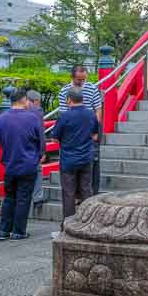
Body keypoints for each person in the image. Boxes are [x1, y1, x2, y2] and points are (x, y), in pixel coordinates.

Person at [0, 87, 45, 241]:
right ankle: (19, 230)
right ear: (24, 100)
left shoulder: (2, 118)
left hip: (9, 162)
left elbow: (1, 140)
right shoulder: (32, 118)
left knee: (9, 197)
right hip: (28, 162)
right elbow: (41, 142)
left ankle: (4, 230)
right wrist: (40, 155)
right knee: (23, 198)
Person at [50, 87, 98, 228]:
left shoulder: (64, 116)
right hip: (86, 157)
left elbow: (54, 138)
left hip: (69, 159)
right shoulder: (91, 114)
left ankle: (69, 224)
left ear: (69, 100)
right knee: (86, 189)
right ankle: (88, 221)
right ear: (82, 99)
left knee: (69, 193)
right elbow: (95, 135)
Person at [58, 65, 102, 196]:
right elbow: (63, 114)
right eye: (79, 80)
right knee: (73, 166)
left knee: (92, 163)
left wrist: (95, 128)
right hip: (72, 134)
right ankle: (77, 194)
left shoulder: (92, 88)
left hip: (89, 131)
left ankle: (92, 194)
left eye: (84, 79)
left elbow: (98, 109)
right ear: (72, 77)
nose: (82, 82)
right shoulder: (64, 91)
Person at [27, 89, 49, 206]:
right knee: (38, 171)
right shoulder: (37, 111)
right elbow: (41, 133)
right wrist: (43, 151)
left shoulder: (15, 109)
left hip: (19, 150)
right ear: (35, 101)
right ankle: (37, 197)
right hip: (33, 149)